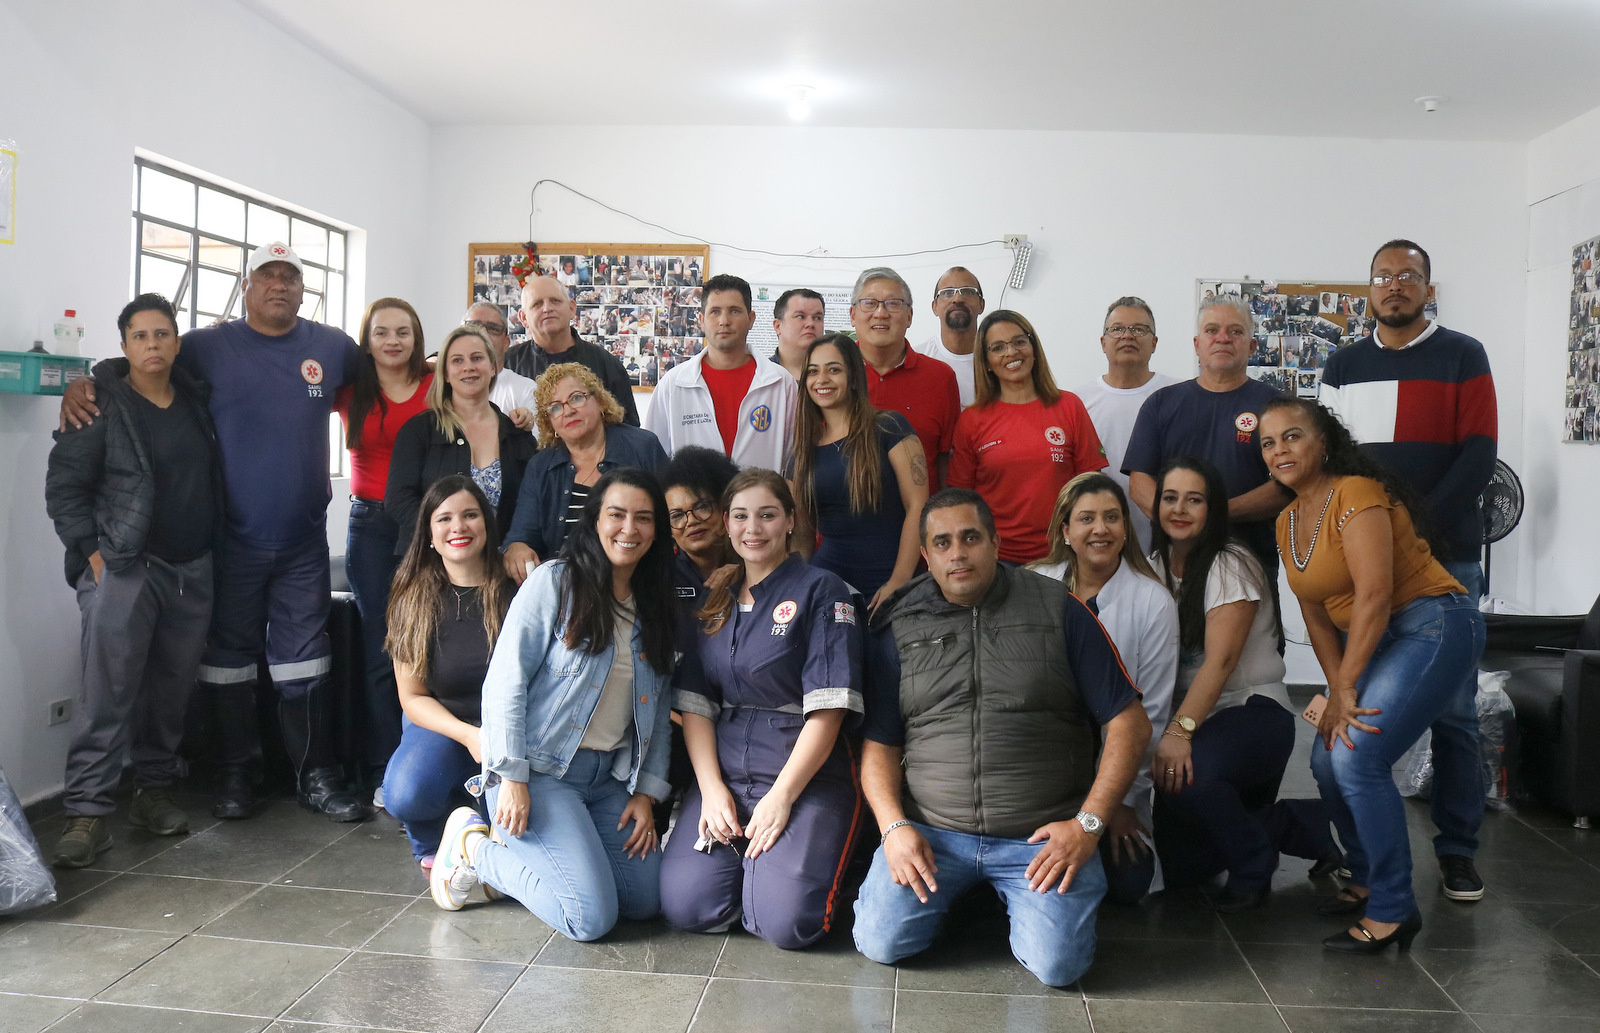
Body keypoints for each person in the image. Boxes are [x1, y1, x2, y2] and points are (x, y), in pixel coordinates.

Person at [61, 241, 364, 822]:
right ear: (247, 286)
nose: (279, 285)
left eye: (291, 277)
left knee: (307, 659)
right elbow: (141, 363)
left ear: (305, 289)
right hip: (229, 542)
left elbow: (390, 368)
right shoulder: (204, 347)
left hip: (303, 540)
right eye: (267, 276)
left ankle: (316, 776)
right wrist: (86, 382)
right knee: (228, 658)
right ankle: (234, 773)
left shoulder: (330, 347)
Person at [853, 490, 1151, 987]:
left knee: (1059, 968)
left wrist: (1088, 824)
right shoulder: (898, 626)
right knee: (881, 942)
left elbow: (1129, 722)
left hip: (1038, 838)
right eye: (942, 543)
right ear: (925, 556)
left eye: (970, 538)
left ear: (995, 542)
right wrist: (892, 829)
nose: (958, 553)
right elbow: (880, 746)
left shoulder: (1060, 610)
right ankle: (974, 895)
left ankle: (1002, 899)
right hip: (934, 835)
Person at [1260, 397, 1485, 953]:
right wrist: (1337, 688)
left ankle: (1392, 909)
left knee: (1358, 758)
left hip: (1433, 624)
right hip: (1381, 639)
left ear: (1324, 443)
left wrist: (1343, 690)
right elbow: (1314, 613)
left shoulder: (1356, 493)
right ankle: (1365, 877)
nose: (1279, 450)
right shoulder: (1288, 520)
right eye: (1267, 443)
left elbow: (1377, 595)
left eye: (1292, 437)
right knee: (1325, 757)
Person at [1318, 239, 1498, 903]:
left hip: (1443, 556)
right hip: (1362, 562)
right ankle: (1363, 852)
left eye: (1409, 276)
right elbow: (1332, 460)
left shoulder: (1463, 354)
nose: (1395, 286)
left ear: (1428, 286)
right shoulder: (1342, 363)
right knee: (1357, 701)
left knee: (1453, 712)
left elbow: (1479, 456)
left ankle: (1456, 850)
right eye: (1384, 276)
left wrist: (1407, 531)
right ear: (1368, 289)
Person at [428, 469, 678, 942]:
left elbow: (659, 713)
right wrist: (512, 777)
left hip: (609, 781)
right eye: (617, 515)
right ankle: (472, 848)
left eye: (644, 519)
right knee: (589, 919)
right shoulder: (556, 582)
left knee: (645, 902)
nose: (630, 529)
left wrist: (645, 794)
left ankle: (550, 862)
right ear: (594, 521)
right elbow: (504, 683)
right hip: (542, 775)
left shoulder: (653, 603)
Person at [44, 293, 223, 865]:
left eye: (163, 334)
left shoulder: (195, 400)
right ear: (123, 346)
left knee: (170, 693)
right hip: (125, 568)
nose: (153, 344)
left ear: (177, 342)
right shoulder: (99, 405)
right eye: (141, 335)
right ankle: (86, 814)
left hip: (191, 568)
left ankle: (153, 791)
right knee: (107, 693)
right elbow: (65, 489)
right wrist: (93, 557)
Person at [659, 470, 864, 951]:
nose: (754, 528)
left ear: (791, 521)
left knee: (787, 924)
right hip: (728, 774)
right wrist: (710, 790)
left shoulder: (823, 590)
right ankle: (755, 876)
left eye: (767, 515)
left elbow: (829, 711)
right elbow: (696, 708)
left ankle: (780, 879)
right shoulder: (717, 599)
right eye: (741, 516)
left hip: (804, 776)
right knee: (686, 906)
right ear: (727, 526)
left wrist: (783, 796)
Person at [1144, 456, 1309, 912]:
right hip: (1196, 721)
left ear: (1213, 508)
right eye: (1170, 498)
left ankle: (1255, 864)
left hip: (1252, 712)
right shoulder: (1153, 566)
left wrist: (1178, 733)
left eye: (1194, 499)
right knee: (1178, 868)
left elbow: (1221, 662)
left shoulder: (1229, 563)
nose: (1180, 508)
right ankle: (1290, 825)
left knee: (1187, 779)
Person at [1029, 473, 1177, 904]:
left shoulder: (1153, 602)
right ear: (1065, 530)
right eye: (1087, 518)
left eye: (1112, 517)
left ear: (1126, 529)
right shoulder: (1035, 584)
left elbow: (1152, 715)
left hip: (1114, 775)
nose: (1100, 529)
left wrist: (1120, 802)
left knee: (1128, 880)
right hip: (1042, 773)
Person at [381, 476, 513, 871]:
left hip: (511, 731)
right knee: (405, 793)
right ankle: (431, 834)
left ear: (487, 525)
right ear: (430, 535)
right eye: (445, 519)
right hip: (446, 726)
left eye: (470, 515)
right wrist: (470, 736)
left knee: (509, 836)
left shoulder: (519, 586)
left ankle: (472, 809)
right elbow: (413, 697)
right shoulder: (412, 596)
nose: (459, 527)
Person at [337, 298, 433, 799]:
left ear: (417, 337)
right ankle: (384, 769)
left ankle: (429, 766)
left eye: (403, 331)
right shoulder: (350, 392)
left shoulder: (436, 384)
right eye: (381, 333)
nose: (393, 341)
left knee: (428, 648)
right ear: (367, 340)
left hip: (426, 527)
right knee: (384, 650)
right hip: (371, 528)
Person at [1124, 297, 1290, 580]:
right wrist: (1180, 520)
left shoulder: (1278, 407)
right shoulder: (1161, 403)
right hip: (1173, 566)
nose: (1222, 338)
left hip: (1251, 565)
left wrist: (1212, 514)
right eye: (1212, 330)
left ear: (1252, 346)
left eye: (1235, 331)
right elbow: (1139, 482)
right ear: (1197, 344)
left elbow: (1287, 485)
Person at [949, 311, 1107, 565]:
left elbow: (1092, 485)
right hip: (998, 560)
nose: (1011, 353)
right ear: (986, 361)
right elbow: (961, 500)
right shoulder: (972, 419)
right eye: (998, 347)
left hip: (1064, 555)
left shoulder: (1069, 406)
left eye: (1019, 341)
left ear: (1033, 347)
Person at [790, 334, 930, 609]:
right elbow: (803, 535)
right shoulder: (802, 453)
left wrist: (899, 580)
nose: (822, 380)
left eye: (834, 369)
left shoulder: (891, 427)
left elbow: (919, 506)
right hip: (830, 581)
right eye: (813, 372)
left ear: (853, 377)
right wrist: (793, 585)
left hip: (892, 577)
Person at [386, 325, 538, 576]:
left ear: (493, 367)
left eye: (477, 358)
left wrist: (518, 542)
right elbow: (398, 499)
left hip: (498, 571)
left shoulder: (517, 434)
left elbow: (531, 502)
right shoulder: (418, 431)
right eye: (457, 360)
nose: (468, 367)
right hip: (431, 566)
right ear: (445, 373)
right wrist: (445, 540)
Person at [503, 363, 669, 581]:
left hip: (637, 580)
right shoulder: (540, 466)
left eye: (576, 398)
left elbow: (670, 519)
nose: (568, 410)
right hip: (563, 586)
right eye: (555, 407)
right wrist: (516, 548)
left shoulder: (642, 446)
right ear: (549, 422)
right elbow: (522, 534)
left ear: (599, 401)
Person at [645, 274, 798, 470]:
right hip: (695, 500)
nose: (724, 321)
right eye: (715, 312)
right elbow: (654, 459)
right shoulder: (673, 384)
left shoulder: (781, 382)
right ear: (701, 320)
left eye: (734, 311)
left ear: (751, 319)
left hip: (761, 500)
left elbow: (794, 460)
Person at [1071, 297, 1177, 552]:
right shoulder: (1077, 401)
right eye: (1117, 329)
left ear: (1154, 343)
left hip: (1167, 539)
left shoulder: (1178, 395)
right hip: (1097, 540)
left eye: (1139, 329)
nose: (1127, 335)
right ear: (1103, 342)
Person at [850, 267, 961, 487]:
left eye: (893, 303)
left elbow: (947, 461)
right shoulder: (831, 374)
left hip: (920, 515)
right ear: (853, 315)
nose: (880, 313)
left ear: (909, 316)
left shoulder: (940, 377)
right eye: (869, 303)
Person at [502, 275, 640, 426]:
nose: (547, 308)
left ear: (572, 309)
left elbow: (628, 430)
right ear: (523, 318)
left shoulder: (606, 364)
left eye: (555, 301)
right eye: (537, 304)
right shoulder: (507, 365)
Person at [664, 445, 741, 609]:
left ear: (726, 508)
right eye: (677, 515)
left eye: (702, 507)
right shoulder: (662, 577)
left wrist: (746, 575)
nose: (691, 520)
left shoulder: (756, 567)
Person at [913, 267, 985, 407]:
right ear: (935, 307)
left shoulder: (998, 360)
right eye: (947, 293)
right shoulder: (917, 361)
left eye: (968, 292)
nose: (957, 299)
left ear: (981, 304)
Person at [464, 301, 537, 430]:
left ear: (506, 343)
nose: (483, 334)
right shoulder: (444, 385)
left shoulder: (527, 390)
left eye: (493, 329)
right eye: (473, 326)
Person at [772, 288, 826, 380]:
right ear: (778, 326)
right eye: (800, 316)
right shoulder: (760, 375)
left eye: (817, 318)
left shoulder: (837, 376)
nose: (810, 323)